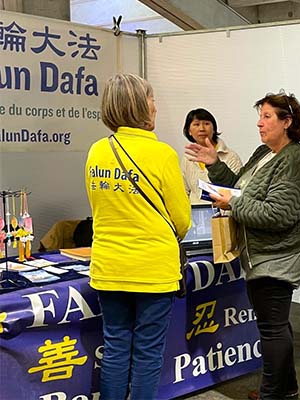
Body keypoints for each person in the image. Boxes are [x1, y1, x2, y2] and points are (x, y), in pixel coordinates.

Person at [185, 92, 300, 400]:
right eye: (260, 116)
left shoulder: (294, 158)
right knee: (276, 325)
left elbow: (278, 213)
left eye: (267, 116)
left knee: (272, 329)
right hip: (262, 255)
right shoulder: (263, 152)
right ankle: (286, 391)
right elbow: (240, 190)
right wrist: (215, 165)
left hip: (278, 257)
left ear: (287, 122)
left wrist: (233, 204)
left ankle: (271, 393)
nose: (259, 123)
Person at [85, 73, 191, 400]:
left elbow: (99, 207)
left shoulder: (97, 152)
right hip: (152, 270)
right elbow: (182, 221)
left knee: (115, 346)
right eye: (151, 98)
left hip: (108, 266)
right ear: (140, 106)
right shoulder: (163, 155)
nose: (156, 106)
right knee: (147, 351)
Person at [181, 108, 242, 204]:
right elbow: (183, 191)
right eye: (196, 124)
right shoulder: (187, 158)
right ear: (189, 131)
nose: (202, 128)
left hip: (223, 214)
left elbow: (238, 190)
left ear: (214, 129)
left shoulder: (230, 156)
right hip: (195, 215)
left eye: (206, 124)